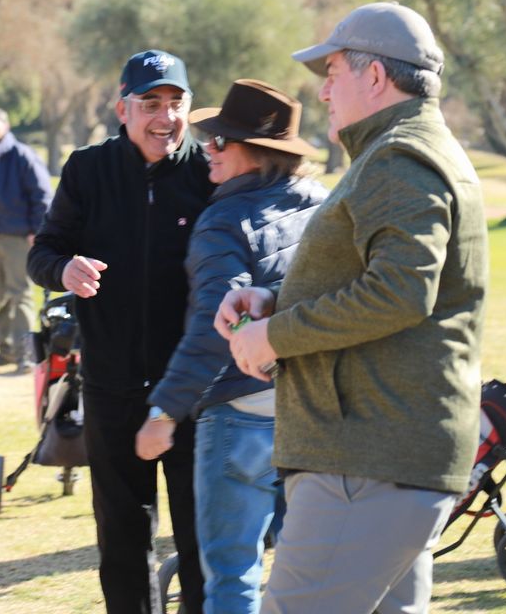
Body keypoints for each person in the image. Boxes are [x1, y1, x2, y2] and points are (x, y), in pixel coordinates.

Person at [216, 3, 489, 614]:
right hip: (381, 457)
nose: (323, 89)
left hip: (364, 461)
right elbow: (384, 279)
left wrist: (275, 336)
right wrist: (275, 301)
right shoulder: (402, 151)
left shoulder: (398, 158)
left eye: (333, 70)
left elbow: (400, 292)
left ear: (375, 77)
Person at [28, 49, 214, 614]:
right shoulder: (88, 169)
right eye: (150, 103)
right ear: (122, 109)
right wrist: (65, 270)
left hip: (192, 390)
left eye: (175, 103)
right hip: (111, 385)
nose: (165, 117)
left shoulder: (208, 171)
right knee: (122, 539)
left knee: (201, 536)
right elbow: (44, 253)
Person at [135, 79, 326, 613]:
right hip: (316, 412)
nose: (208, 151)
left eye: (220, 141)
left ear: (255, 152)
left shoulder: (222, 219)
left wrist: (165, 412)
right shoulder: (329, 207)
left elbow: (215, 326)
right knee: (306, 576)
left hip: (239, 414)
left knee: (231, 576)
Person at [0, 106, 53, 369]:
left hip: (19, 238)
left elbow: (42, 197)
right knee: (2, 294)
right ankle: (5, 351)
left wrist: (36, 232)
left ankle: (26, 354)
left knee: (21, 294)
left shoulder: (23, 156)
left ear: (5, 126)